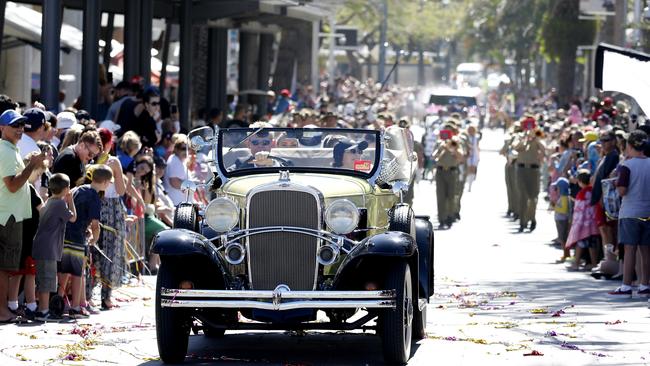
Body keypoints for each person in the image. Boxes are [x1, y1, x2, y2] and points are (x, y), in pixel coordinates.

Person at [0, 109, 46, 323]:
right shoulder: (7, 151)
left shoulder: (11, 149)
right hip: (7, 216)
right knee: (4, 268)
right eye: (14, 125)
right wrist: (32, 165)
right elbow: (12, 185)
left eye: (21, 124)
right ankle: (2, 311)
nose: (19, 128)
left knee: (8, 268)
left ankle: (5, 309)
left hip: (11, 215)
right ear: (2, 128)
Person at [58, 165, 112, 318]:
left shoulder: (79, 189)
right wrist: (94, 239)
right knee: (77, 272)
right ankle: (76, 307)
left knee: (64, 271)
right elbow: (95, 225)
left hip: (64, 233)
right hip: (77, 238)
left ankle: (58, 300)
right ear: (106, 182)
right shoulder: (94, 196)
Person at [608, 130, 650, 296]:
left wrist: (615, 184)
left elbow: (622, 191)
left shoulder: (627, 165)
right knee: (646, 250)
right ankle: (644, 284)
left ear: (629, 146)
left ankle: (626, 285)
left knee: (630, 249)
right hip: (647, 211)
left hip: (630, 212)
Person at [31, 173, 76, 321]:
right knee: (47, 280)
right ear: (65, 188)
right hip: (48, 249)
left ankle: (41, 309)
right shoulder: (59, 204)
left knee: (45, 279)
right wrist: (70, 200)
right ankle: (43, 311)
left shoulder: (50, 201)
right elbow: (73, 218)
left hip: (43, 246)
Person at [6, 152, 46, 319]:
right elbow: (42, 209)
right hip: (30, 237)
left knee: (18, 273)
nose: (38, 179)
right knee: (30, 273)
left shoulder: (15, 190)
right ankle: (31, 305)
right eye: (38, 174)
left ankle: (13, 304)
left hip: (18, 234)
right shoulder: (29, 188)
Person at [95, 128, 128, 310]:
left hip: (95, 203)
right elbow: (121, 190)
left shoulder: (91, 160)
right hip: (112, 208)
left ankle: (88, 293)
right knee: (111, 251)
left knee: (94, 251)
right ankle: (106, 296)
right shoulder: (113, 161)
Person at [513, 118, 546, 232]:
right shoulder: (520, 136)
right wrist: (525, 139)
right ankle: (522, 222)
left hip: (534, 170)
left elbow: (544, 149)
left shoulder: (538, 135)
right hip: (522, 169)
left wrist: (535, 139)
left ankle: (531, 218)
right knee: (523, 196)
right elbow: (516, 147)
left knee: (533, 197)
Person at [565, 169, 600, 271]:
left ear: (579, 181)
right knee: (593, 245)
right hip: (593, 223)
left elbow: (578, 210)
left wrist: (575, 224)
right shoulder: (592, 191)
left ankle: (576, 263)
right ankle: (594, 264)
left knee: (580, 244)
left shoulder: (581, 194)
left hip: (583, 224)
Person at [432, 127, 463, 229]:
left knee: (451, 196)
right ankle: (442, 218)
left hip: (452, 172)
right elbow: (434, 156)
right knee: (440, 197)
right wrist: (442, 149)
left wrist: (452, 149)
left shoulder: (455, 143)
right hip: (440, 172)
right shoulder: (439, 144)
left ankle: (450, 216)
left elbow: (461, 157)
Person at [164, 136, 190, 206]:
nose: (186, 151)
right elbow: (174, 182)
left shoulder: (181, 161)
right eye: (183, 149)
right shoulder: (174, 161)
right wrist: (191, 186)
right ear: (176, 149)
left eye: (188, 148)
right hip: (175, 204)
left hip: (179, 204)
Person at [551, 177, 571, 263]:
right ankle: (565, 254)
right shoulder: (562, 197)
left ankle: (566, 254)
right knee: (562, 238)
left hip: (562, 220)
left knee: (563, 238)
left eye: (558, 188)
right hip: (559, 220)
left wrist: (555, 207)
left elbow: (563, 210)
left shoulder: (564, 198)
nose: (557, 190)